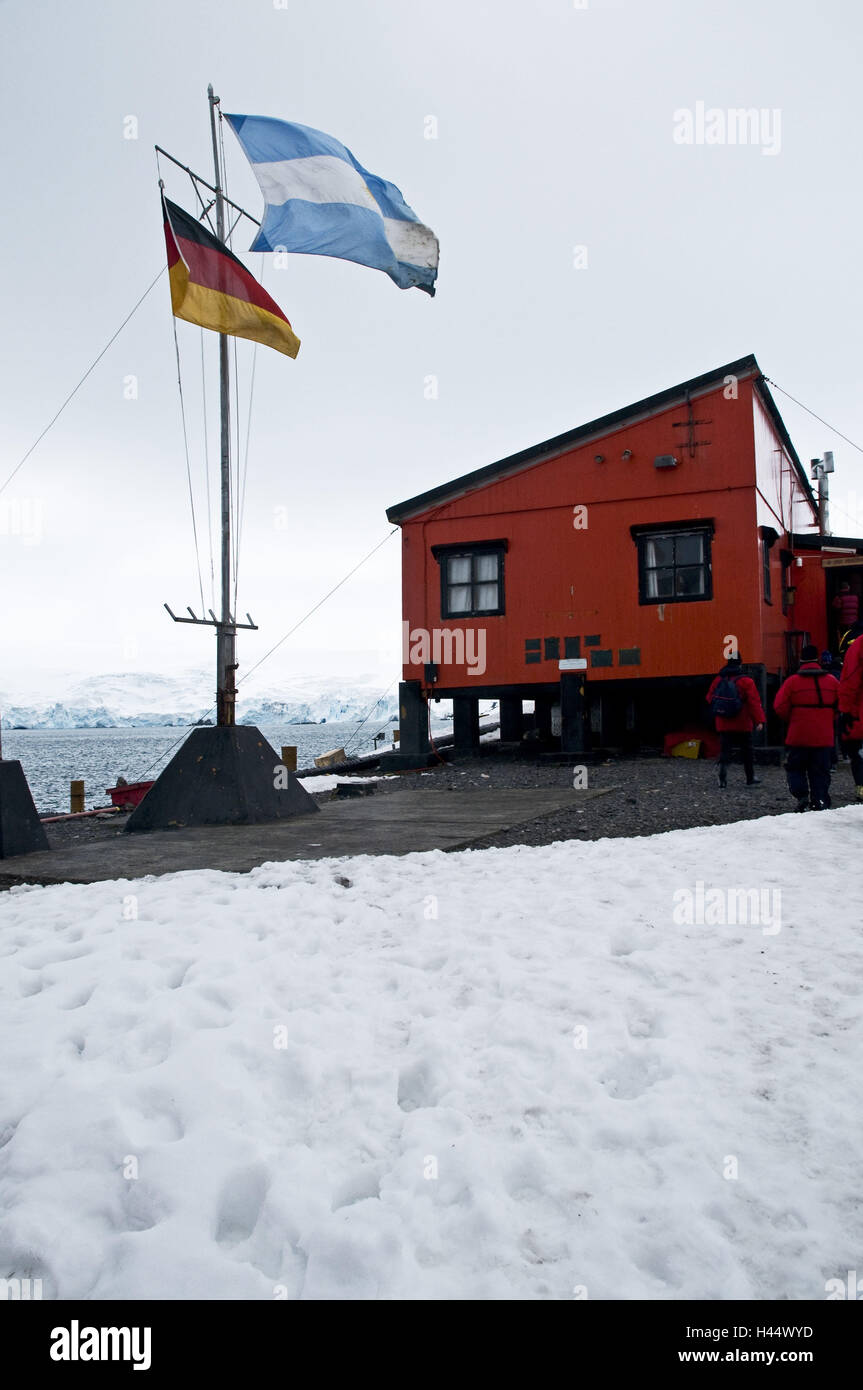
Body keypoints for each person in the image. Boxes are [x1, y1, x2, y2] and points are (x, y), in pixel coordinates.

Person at [774, 644, 840, 811]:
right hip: (824, 737)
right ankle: (820, 800)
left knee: (795, 768)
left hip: (798, 736)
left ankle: (801, 796)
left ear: (801, 660)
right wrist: (828, 718)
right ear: (817, 659)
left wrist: (793, 718)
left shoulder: (792, 682)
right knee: (821, 771)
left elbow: (779, 706)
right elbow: (842, 705)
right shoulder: (832, 681)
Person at [707, 655, 766, 788]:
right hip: (742, 722)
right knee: (747, 750)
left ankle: (723, 774)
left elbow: (710, 697)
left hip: (723, 721)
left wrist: (721, 709)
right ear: (740, 664)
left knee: (725, 749)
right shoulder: (746, 681)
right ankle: (750, 777)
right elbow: (754, 703)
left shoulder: (718, 679)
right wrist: (759, 720)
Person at [838, 619, 863, 803]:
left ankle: (861, 787)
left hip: (860, 711)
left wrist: (845, 710)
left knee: (859, 754)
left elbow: (850, 681)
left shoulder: (857, 645)